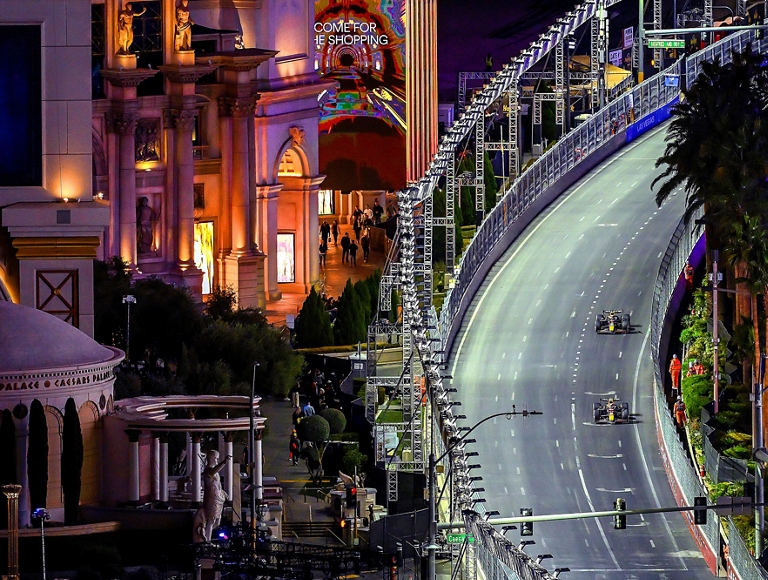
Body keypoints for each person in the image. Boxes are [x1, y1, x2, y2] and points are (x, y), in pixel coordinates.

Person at [198, 450, 231, 542]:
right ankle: (207, 541)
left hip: (218, 498)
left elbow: (217, 484)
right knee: (211, 520)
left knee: (217, 521)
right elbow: (213, 471)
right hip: (212, 498)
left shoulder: (214, 472)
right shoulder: (208, 471)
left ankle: (205, 532)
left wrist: (223, 492)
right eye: (215, 458)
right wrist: (224, 462)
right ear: (210, 459)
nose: (217, 460)